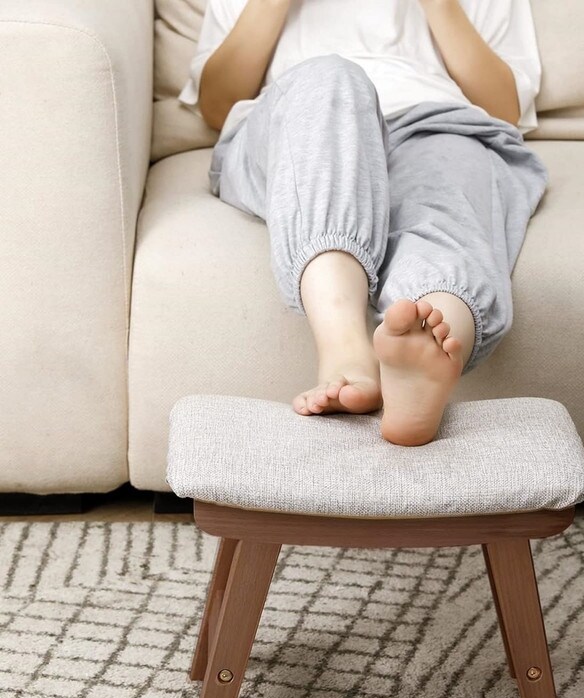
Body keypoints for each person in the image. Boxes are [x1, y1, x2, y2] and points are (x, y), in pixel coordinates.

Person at [178, 0, 549, 446]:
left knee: (446, 187)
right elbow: (218, 105)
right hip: (299, 124)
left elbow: (502, 108)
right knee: (332, 77)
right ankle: (345, 350)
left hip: (435, 123)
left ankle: (431, 342)